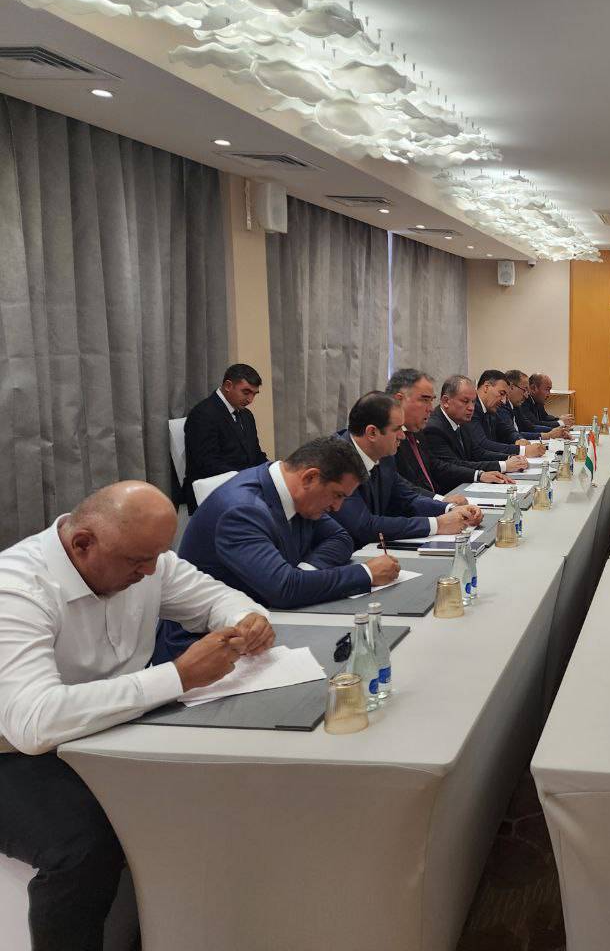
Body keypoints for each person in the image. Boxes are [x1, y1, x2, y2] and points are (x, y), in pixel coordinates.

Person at [0, 482, 273, 951]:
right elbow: (33, 723)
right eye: (137, 561)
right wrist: (178, 676)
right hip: (13, 751)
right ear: (82, 544)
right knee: (82, 846)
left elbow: (218, 599)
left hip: (107, 730)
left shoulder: (145, 560)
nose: (149, 572)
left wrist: (246, 621)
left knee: (217, 783)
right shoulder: (17, 589)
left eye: (157, 557)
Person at [175, 435, 402, 612]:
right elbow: (284, 589)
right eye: (337, 495)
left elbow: (340, 538)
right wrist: (365, 573)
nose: (337, 507)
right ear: (310, 477)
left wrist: (305, 573)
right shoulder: (242, 512)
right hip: (207, 639)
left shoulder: (295, 494)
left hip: (265, 618)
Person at [334, 392, 482, 548]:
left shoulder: (384, 455)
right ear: (372, 433)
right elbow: (364, 526)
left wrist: (452, 509)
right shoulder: (338, 461)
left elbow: (408, 498)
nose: (402, 436)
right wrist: (437, 524)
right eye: (397, 429)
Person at [182, 363, 269, 512]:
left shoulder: (246, 415)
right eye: (246, 392)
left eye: (254, 394)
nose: (250, 400)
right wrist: (248, 478)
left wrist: (272, 471)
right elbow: (207, 464)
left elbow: (255, 454)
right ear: (228, 386)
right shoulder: (203, 414)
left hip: (242, 487)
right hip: (213, 492)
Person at [423, 376, 524, 494]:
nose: (471, 408)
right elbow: (454, 465)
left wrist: (509, 458)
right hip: (450, 492)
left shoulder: (461, 420)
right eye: (465, 401)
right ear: (446, 401)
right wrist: (503, 466)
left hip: (465, 487)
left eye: (473, 402)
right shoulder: (434, 428)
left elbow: (477, 452)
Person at [386, 368, 469, 505]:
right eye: (424, 400)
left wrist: (479, 474)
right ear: (399, 400)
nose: (430, 408)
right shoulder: (386, 439)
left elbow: (435, 466)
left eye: (431, 400)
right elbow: (402, 490)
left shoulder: (417, 431)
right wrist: (441, 502)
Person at [475, 369, 548, 458]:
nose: (503, 400)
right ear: (486, 387)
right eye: (501, 393)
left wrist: (519, 439)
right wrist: (522, 450)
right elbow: (483, 444)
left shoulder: (490, 408)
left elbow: (506, 430)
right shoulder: (473, 408)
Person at [503, 369, 570, 441]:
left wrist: (556, 430)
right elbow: (510, 435)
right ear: (511, 387)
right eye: (524, 390)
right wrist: (549, 434)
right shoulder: (503, 408)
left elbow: (529, 426)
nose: (526, 395)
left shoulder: (516, 405)